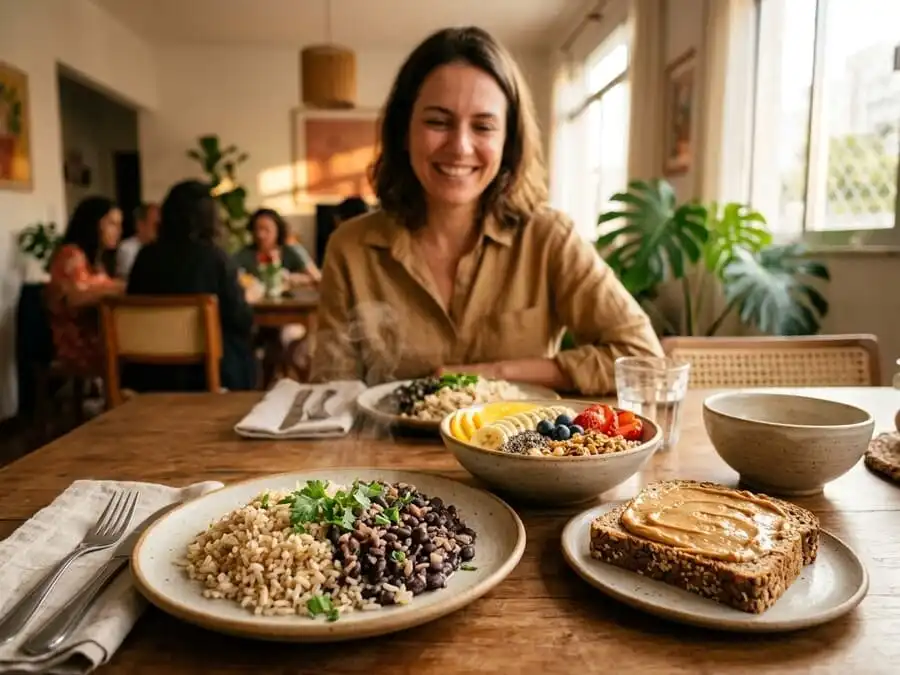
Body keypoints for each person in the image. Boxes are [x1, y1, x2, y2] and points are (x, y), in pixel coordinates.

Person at [309, 27, 663, 394]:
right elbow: (329, 396)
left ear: (508, 141)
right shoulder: (350, 248)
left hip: (519, 432)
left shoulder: (549, 238)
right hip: (385, 434)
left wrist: (493, 371)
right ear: (403, 131)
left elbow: (643, 358)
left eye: (483, 126)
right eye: (437, 122)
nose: (460, 147)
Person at [126, 180, 257, 392]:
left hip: (149, 374)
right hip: (205, 375)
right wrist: (247, 297)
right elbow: (241, 320)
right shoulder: (216, 259)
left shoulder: (145, 257)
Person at [46, 196, 125, 376]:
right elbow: (76, 298)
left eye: (119, 225)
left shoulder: (96, 261)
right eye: (112, 224)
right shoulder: (71, 254)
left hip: (96, 336)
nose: (119, 231)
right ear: (94, 223)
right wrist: (118, 288)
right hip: (77, 343)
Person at [234, 208, 319, 288]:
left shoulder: (292, 250)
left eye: (266, 230)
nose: (260, 235)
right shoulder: (245, 254)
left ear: (278, 231)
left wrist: (292, 278)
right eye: (257, 229)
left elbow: (317, 278)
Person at [117, 202, 160, 280]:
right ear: (140, 225)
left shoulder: (161, 248)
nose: (159, 230)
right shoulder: (127, 249)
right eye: (155, 225)